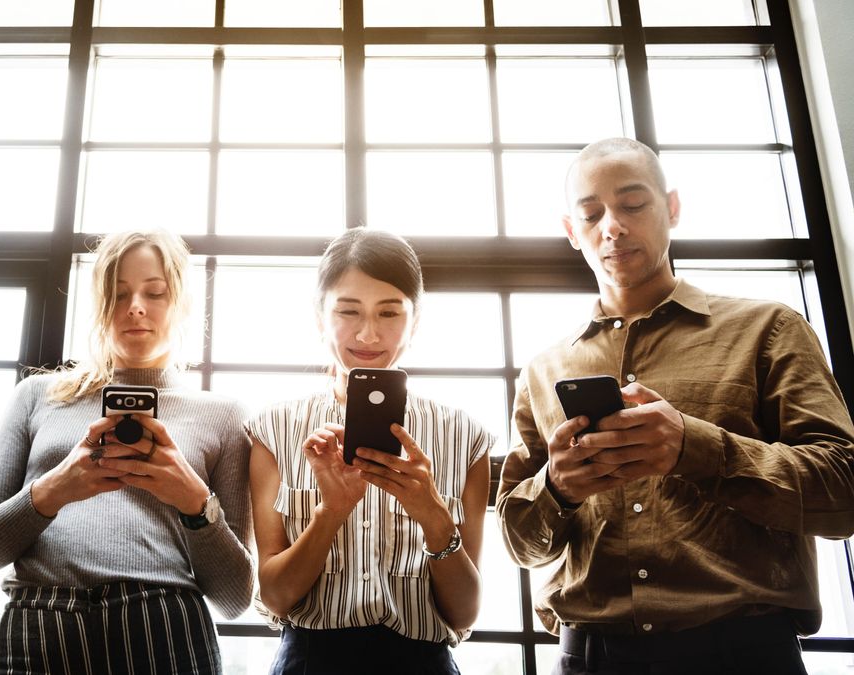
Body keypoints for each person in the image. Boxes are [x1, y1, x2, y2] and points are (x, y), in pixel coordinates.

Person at [496, 137, 854, 675]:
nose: (611, 226)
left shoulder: (768, 329)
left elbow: (846, 491)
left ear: (673, 207)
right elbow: (520, 543)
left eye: (633, 205)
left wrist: (696, 448)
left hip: (745, 653)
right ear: (572, 232)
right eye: (590, 214)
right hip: (587, 657)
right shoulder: (544, 369)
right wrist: (558, 489)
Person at [0, 229, 253, 675]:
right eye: (118, 293)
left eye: (155, 293)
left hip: (163, 623)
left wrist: (194, 503)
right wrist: (53, 490)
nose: (135, 307)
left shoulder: (223, 416)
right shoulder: (38, 395)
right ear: (98, 305)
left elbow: (234, 598)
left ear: (182, 305)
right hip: (40, 620)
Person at [246, 228, 493, 675]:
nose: (368, 333)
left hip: (424, 664)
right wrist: (331, 512)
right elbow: (276, 597)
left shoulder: (466, 435)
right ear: (320, 317)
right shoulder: (272, 429)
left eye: (389, 313)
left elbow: (465, 613)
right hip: (308, 660)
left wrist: (432, 514)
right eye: (347, 311)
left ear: (414, 321)